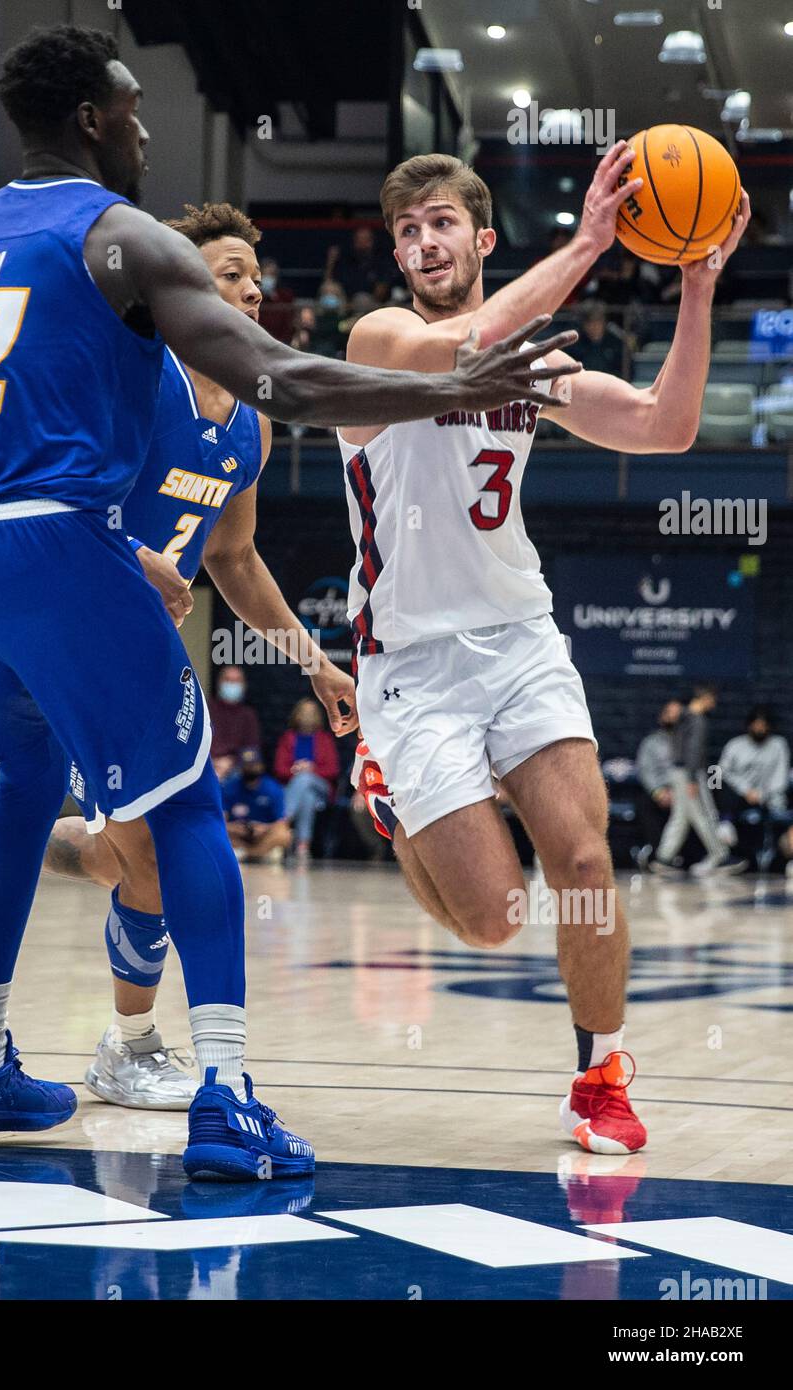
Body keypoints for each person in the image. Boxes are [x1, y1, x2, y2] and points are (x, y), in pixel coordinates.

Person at [0, 23, 578, 1174]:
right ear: (91, 116)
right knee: (184, 810)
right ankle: (226, 1094)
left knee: (33, 778)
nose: (143, 126)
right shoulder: (118, 232)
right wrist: (459, 383)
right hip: (57, 548)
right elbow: (284, 374)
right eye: (132, 107)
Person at [0, 201, 355, 1112]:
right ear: (183, 288)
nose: (249, 291)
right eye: (229, 275)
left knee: (121, 851)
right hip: (73, 608)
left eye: (257, 280)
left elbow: (232, 558)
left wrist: (312, 658)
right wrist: (133, 558)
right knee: (160, 842)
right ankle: (130, 1043)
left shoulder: (251, 425)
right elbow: (56, 487)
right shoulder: (139, 377)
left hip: (128, 636)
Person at [337, 143, 750, 1155]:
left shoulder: (536, 365)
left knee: (581, 857)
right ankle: (389, 788)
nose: (422, 241)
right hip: (410, 660)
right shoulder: (378, 338)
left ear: (480, 239)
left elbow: (666, 427)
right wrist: (591, 242)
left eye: (440, 222)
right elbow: (467, 344)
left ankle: (598, 1075)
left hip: (519, 636)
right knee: (491, 919)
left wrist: (696, 286)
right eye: (405, 229)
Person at [653, 685, 747, 877]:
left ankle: (663, 857)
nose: (714, 704)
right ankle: (720, 855)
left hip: (678, 772)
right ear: (706, 698)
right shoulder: (697, 720)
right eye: (713, 700)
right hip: (691, 774)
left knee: (680, 817)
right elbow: (693, 751)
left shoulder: (682, 717)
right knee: (703, 814)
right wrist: (692, 780)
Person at [715, 705, 790, 866]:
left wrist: (762, 794)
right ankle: (725, 823)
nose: (760, 728)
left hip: (769, 799)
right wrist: (746, 791)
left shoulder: (779, 745)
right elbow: (722, 772)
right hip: (739, 797)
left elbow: (780, 776)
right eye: (756, 724)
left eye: (763, 725)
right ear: (749, 725)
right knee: (715, 779)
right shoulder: (735, 745)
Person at [274, 697, 339, 860]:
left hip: (320, 786)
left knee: (304, 779)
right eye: (304, 712)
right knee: (308, 797)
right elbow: (279, 769)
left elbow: (333, 770)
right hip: (294, 787)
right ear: (297, 715)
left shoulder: (325, 739)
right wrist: (294, 770)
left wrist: (311, 769)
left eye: (311, 713)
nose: (307, 716)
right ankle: (303, 845)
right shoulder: (288, 738)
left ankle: (283, 820)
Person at [634, 700, 682, 865]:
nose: (673, 718)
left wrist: (677, 792)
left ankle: (681, 857)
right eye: (669, 714)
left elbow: (696, 771)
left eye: (678, 715)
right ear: (662, 717)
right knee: (643, 803)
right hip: (657, 791)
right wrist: (658, 792)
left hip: (682, 792)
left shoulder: (689, 743)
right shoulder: (651, 742)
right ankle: (657, 855)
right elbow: (645, 770)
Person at [222, 749, 291, 862]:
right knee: (219, 833)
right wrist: (234, 827)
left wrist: (263, 828)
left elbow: (281, 821)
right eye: (247, 765)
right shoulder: (229, 788)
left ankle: (249, 854)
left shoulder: (273, 788)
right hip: (238, 835)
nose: (250, 769)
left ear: (261, 766)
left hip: (264, 834)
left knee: (283, 834)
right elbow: (220, 819)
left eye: (254, 765)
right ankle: (260, 854)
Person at [209, 665, 262, 781]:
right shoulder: (206, 709)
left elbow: (251, 751)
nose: (232, 685)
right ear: (219, 683)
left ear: (243, 685)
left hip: (236, 769)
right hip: (208, 765)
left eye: (236, 681)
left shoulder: (248, 715)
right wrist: (214, 762)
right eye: (228, 680)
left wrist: (230, 762)